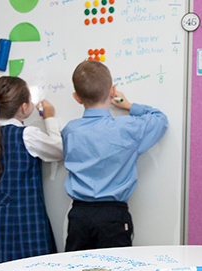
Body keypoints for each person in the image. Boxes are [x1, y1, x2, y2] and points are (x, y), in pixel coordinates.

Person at [62, 60, 168, 251]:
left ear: (76, 97)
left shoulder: (70, 130)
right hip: (113, 216)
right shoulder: (127, 128)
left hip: (79, 216)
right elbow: (160, 119)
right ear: (112, 91)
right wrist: (128, 105)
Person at [0, 76, 62, 268]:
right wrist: (49, 119)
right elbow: (59, 150)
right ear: (24, 108)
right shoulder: (27, 134)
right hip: (25, 219)